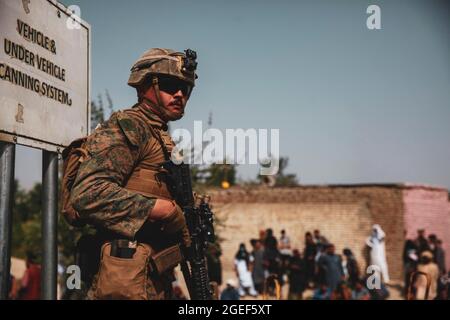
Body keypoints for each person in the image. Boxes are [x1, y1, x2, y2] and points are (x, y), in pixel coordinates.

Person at [69, 48, 198, 300]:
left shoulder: (159, 136)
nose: (180, 94)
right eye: (171, 85)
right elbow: (87, 194)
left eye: (186, 89)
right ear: (144, 87)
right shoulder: (129, 127)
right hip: (121, 279)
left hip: (148, 278)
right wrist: (163, 210)